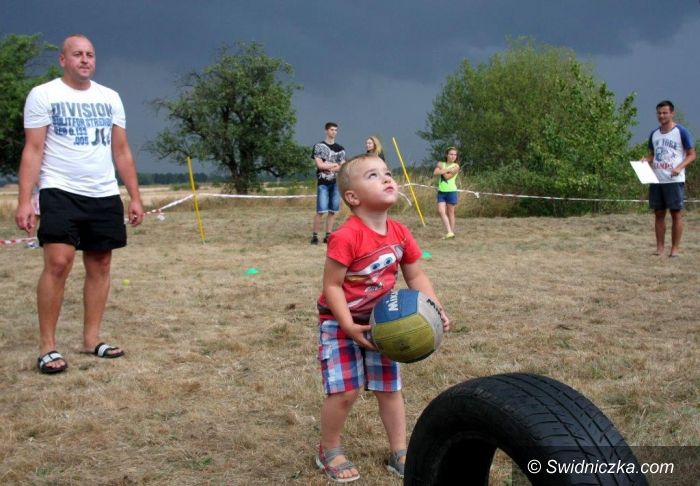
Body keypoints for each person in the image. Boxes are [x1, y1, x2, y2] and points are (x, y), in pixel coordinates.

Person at [315, 154, 450, 482]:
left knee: (389, 389)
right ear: (352, 197)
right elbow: (332, 286)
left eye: (387, 173)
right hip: (339, 322)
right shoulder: (346, 236)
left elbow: (415, 276)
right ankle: (328, 449)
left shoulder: (400, 232)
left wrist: (434, 307)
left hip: (385, 324)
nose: (387, 178)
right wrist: (348, 325)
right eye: (373, 175)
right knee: (345, 392)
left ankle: (400, 451)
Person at [15, 34, 144, 374]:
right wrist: (25, 200)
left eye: (90, 54)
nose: (85, 60)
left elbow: (121, 150)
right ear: (63, 60)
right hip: (60, 190)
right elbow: (33, 150)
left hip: (103, 193)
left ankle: (91, 339)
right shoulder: (43, 95)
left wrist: (134, 196)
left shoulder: (110, 97)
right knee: (59, 262)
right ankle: (47, 347)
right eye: (77, 54)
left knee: (100, 263)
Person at [640, 100, 696, 257]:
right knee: (659, 214)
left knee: (676, 214)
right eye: (659, 113)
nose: (662, 116)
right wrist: (646, 159)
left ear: (672, 113)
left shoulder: (681, 132)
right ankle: (659, 249)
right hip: (657, 180)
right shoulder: (654, 134)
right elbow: (653, 154)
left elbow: (692, 154)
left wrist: (679, 167)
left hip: (674, 180)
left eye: (665, 113)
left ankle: (675, 249)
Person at [311, 122, 346, 244]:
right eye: (332, 130)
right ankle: (315, 235)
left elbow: (342, 167)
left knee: (332, 211)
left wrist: (329, 166)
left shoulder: (340, 149)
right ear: (326, 131)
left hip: (336, 183)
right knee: (320, 210)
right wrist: (335, 164)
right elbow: (320, 165)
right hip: (323, 183)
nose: (334, 132)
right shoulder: (318, 146)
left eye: (336, 130)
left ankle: (328, 235)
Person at [433, 146, 460, 239]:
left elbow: (447, 177)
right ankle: (449, 232)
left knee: (450, 212)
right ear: (446, 155)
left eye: (455, 155)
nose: (453, 156)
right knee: (441, 211)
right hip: (441, 191)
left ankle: (451, 233)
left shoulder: (456, 166)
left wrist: (442, 170)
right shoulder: (441, 163)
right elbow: (435, 173)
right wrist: (447, 170)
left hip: (451, 191)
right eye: (451, 154)